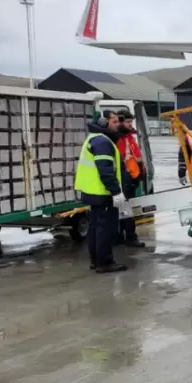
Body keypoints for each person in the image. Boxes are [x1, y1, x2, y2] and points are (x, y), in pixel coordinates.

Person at [74, 109, 129, 273]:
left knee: (95, 228)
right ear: (104, 122)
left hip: (93, 193)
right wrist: (116, 192)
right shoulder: (103, 142)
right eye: (114, 121)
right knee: (105, 229)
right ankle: (104, 262)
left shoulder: (94, 139)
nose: (117, 124)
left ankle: (96, 260)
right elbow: (106, 171)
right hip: (102, 193)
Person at [115, 108, 146, 248]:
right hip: (125, 179)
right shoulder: (119, 138)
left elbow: (136, 157)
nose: (130, 124)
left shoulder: (128, 137)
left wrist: (141, 172)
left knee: (125, 210)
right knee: (127, 210)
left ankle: (122, 236)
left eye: (131, 121)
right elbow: (121, 160)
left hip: (131, 177)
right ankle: (129, 237)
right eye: (128, 121)